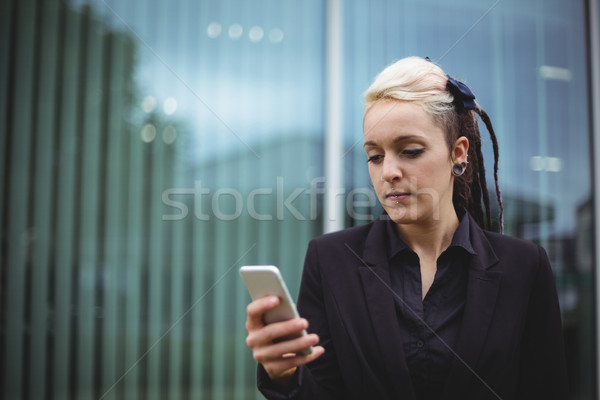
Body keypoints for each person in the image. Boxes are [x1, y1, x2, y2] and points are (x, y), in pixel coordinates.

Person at [244, 56, 568, 400]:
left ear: (458, 153)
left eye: (410, 150)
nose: (388, 172)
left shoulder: (525, 267)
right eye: (374, 156)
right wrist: (285, 373)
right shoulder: (330, 259)